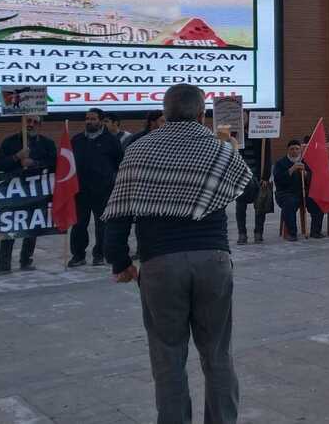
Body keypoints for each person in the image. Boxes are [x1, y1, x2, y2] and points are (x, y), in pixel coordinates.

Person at [103, 84, 251, 424]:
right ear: (202, 115)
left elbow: (119, 212)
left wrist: (120, 261)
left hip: (160, 263)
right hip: (213, 260)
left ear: (164, 113)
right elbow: (250, 190)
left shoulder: (139, 150)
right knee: (218, 355)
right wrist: (231, 152)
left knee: (168, 358)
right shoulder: (219, 149)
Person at [0, 115, 57, 275]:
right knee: (9, 226)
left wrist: (35, 164)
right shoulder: (9, 142)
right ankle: (3, 264)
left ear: (40, 125)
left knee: (32, 225)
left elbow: (54, 163)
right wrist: (16, 157)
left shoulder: (47, 143)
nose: (31, 124)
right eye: (28, 121)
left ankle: (26, 260)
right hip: (14, 191)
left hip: (36, 192)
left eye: (34, 122)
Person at [68, 108, 124, 267]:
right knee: (79, 225)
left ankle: (99, 255)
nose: (89, 122)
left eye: (93, 119)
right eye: (87, 118)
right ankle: (78, 255)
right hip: (81, 191)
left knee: (102, 226)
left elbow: (119, 163)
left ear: (100, 121)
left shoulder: (111, 141)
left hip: (103, 191)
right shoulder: (77, 140)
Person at [273, 139, 322, 240]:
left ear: (300, 150)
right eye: (292, 149)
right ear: (288, 150)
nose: (294, 151)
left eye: (297, 149)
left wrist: (305, 173)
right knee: (289, 203)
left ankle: (315, 231)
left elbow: (313, 178)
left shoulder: (305, 161)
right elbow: (278, 180)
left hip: (304, 192)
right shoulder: (280, 163)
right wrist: (291, 169)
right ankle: (292, 233)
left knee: (317, 201)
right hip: (286, 193)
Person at [234, 138, 270, 245]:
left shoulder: (261, 134)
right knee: (240, 206)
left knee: (260, 205)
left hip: (258, 175)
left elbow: (267, 156)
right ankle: (242, 234)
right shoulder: (237, 134)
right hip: (241, 176)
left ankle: (258, 232)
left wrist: (266, 176)